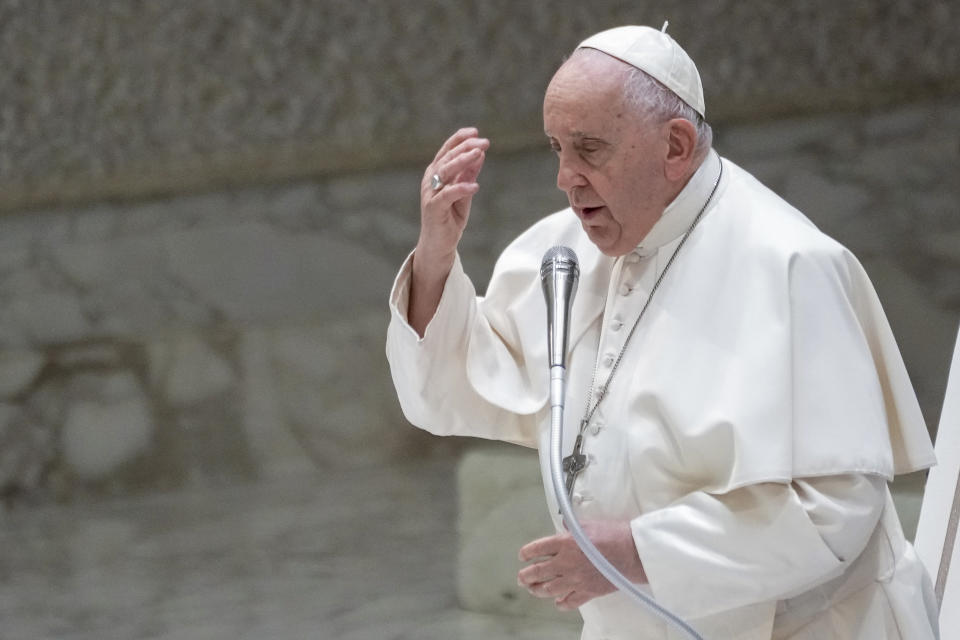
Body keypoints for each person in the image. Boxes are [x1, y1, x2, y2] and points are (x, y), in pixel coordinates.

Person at [386, 24, 940, 639]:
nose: (565, 178)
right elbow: (454, 391)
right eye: (556, 148)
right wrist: (435, 256)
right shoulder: (564, 251)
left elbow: (836, 509)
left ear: (675, 146)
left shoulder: (790, 265)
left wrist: (635, 554)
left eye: (589, 148)